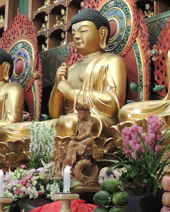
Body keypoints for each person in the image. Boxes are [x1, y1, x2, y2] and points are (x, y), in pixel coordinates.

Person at [47, 8, 127, 137]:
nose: (77, 36)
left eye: (83, 31)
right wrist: (57, 85)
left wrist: (72, 93)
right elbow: (55, 114)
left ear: (102, 33)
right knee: (36, 128)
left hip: (99, 120)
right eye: (74, 33)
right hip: (68, 120)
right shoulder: (70, 69)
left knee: (69, 124)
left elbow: (114, 103)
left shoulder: (112, 61)